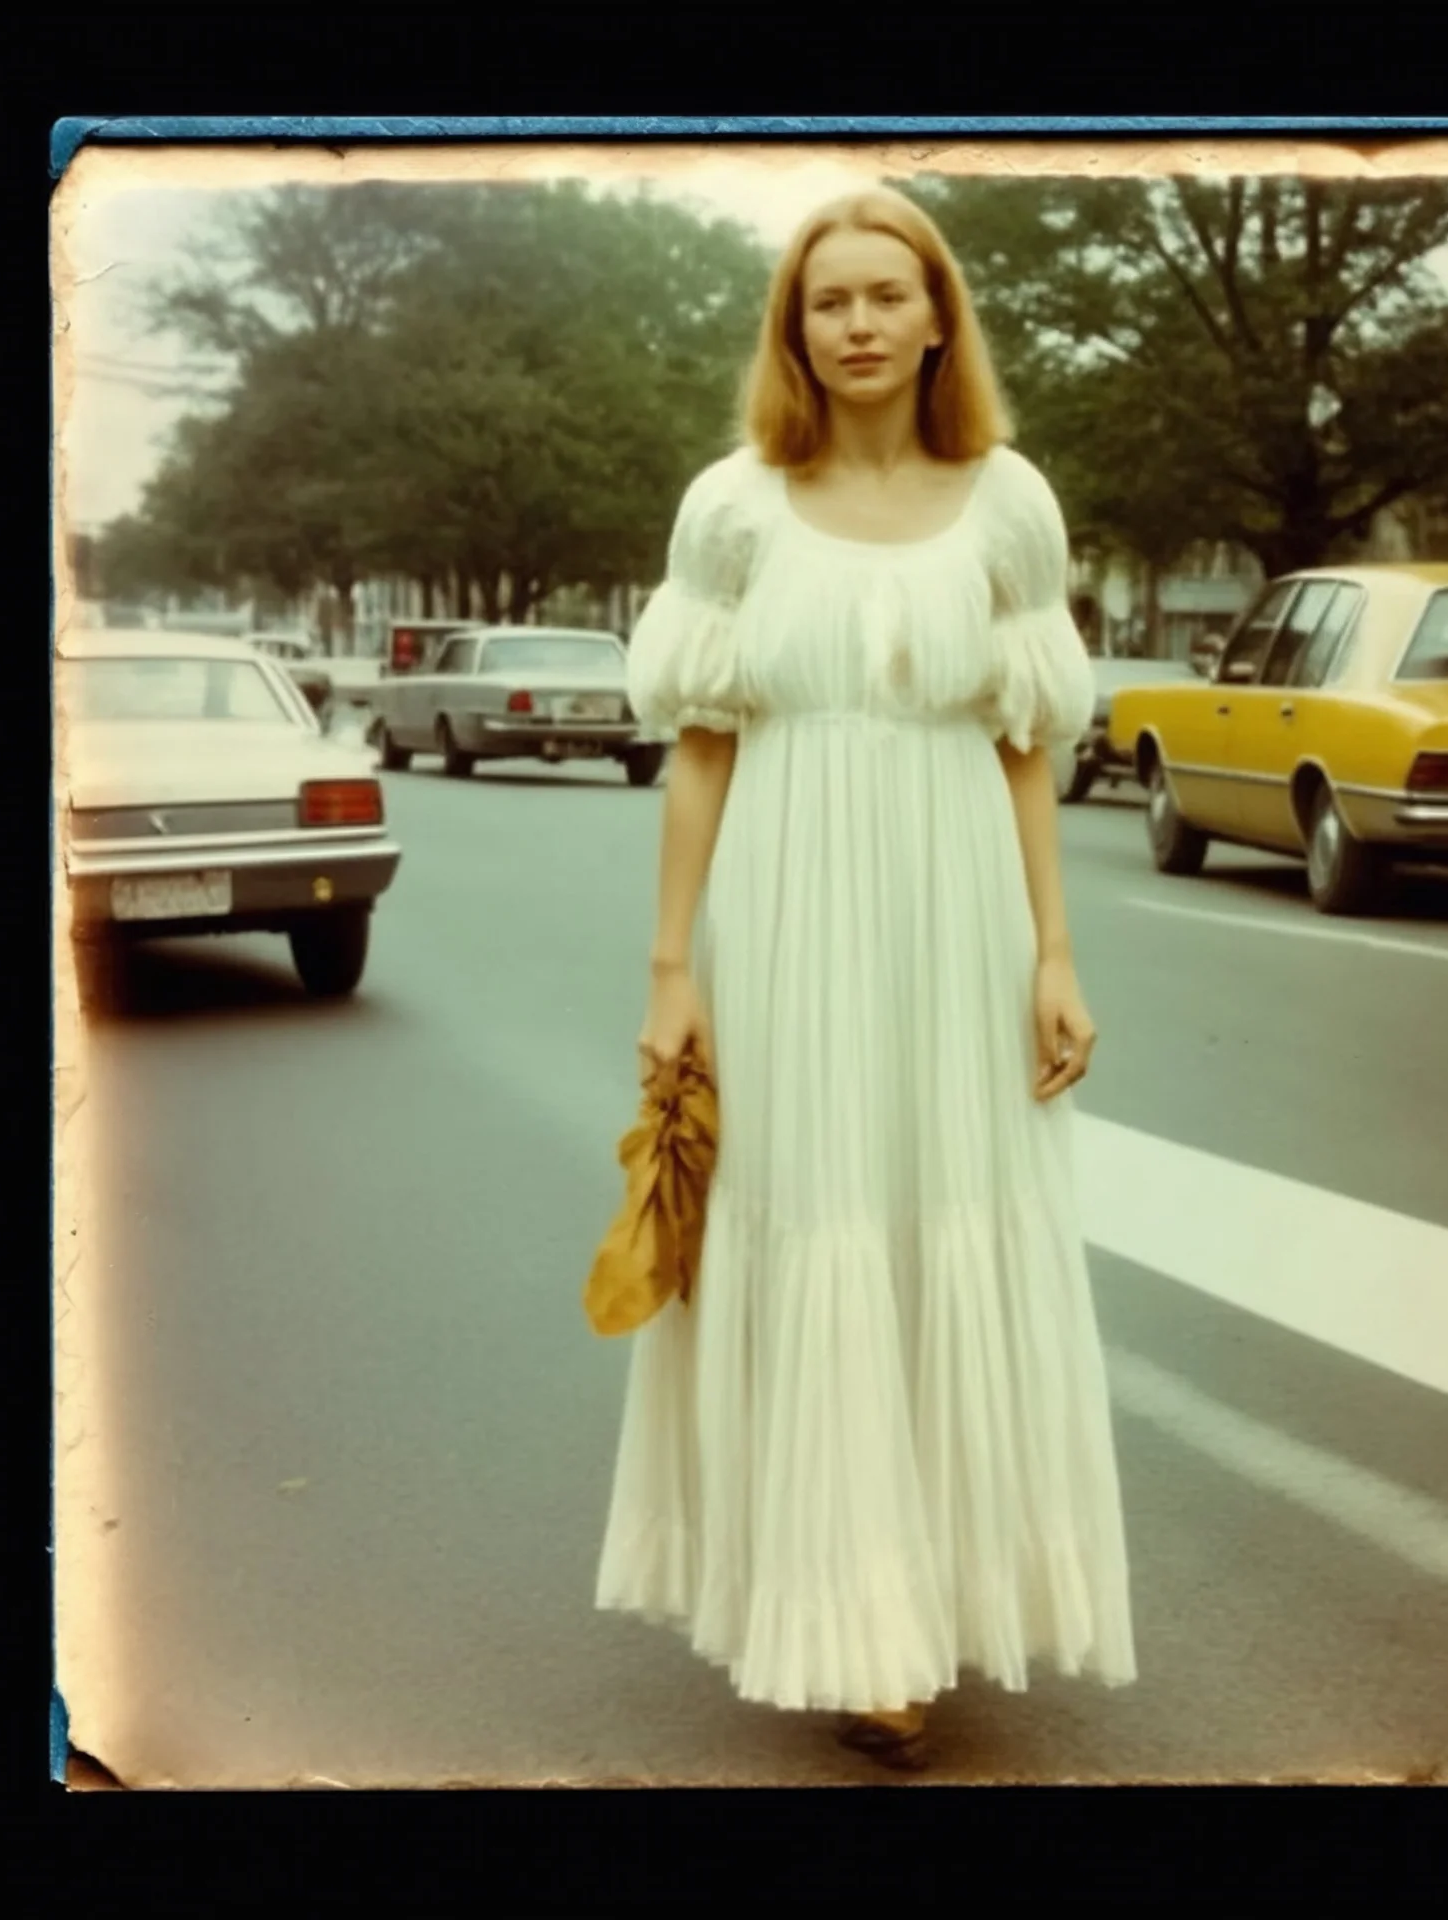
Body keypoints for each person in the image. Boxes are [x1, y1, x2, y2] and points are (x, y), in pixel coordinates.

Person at [594, 186, 1137, 1771]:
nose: (857, 324)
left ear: (937, 314)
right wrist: (671, 969)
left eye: (886, 294)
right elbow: (700, 753)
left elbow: (1027, 746)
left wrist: (1053, 950)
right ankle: (859, 1630)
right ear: (795, 328)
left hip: (961, 909)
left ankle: (941, 1591)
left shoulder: (1010, 503)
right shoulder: (735, 509)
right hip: (785, 909)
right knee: (821, 1223)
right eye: (826, 300)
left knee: (943, 1225)